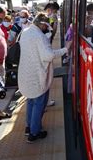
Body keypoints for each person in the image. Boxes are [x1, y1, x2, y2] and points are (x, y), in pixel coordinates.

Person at [18, 13, 70, 142]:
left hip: (26, 74)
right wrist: (65, 49)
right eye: (46, 26)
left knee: (30, 101)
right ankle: (34, 133)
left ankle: (29, 127)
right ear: (41, 24)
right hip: (37, 76)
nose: (46, 28)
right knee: (39, 104)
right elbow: (48, 56)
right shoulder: (39, 36)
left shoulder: (26, 31)